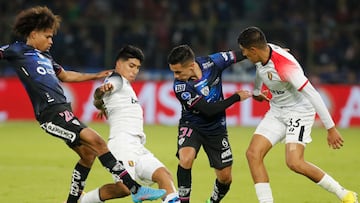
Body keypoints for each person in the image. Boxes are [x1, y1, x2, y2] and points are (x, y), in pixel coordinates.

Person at [0, 6, 165, 203]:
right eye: (47, 36)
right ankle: (135, 188)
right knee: (98, 143)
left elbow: (67, 75)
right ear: (34, 34)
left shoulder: (46, 57)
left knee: (88, 155)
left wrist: (95, 75)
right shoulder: (17, 50)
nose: (51, 41)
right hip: (50, 114)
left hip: (64, 111)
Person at [237, 26, 358, 203]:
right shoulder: (262, 52)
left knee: (294, 162)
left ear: (254, 50)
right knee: (253, 154)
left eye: (245, 52)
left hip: (299, 112)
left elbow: (313, 95)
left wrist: (331, 128)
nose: (244, 56)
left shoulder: (286, 66)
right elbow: (260, 70)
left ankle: (345, 195)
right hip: (277, 111)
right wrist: (256, 91)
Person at [80, 45, 180, 203]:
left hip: (137, 146)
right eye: (131, 66)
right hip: (122, 143)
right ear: (119, 64)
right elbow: (102, 89)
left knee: (164, 175)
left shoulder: (126, 86)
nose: (135, 71)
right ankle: (84, 201)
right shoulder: (116, 79)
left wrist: (100, 102)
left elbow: (97, 99)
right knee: (124, 188)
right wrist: (102, 90)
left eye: (138, 68)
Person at [167, 44, 252, 203]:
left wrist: (270, 51)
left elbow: (242, 53)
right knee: (186, 159)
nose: (175, 76)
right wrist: (235, 98)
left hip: (216, 128)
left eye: (178, 71)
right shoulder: (180, 86)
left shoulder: (212, 62)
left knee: (225, 178)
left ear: (192, 65)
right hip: (192, 124)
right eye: (173, 71)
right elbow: (208, 110)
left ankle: (212, 201)